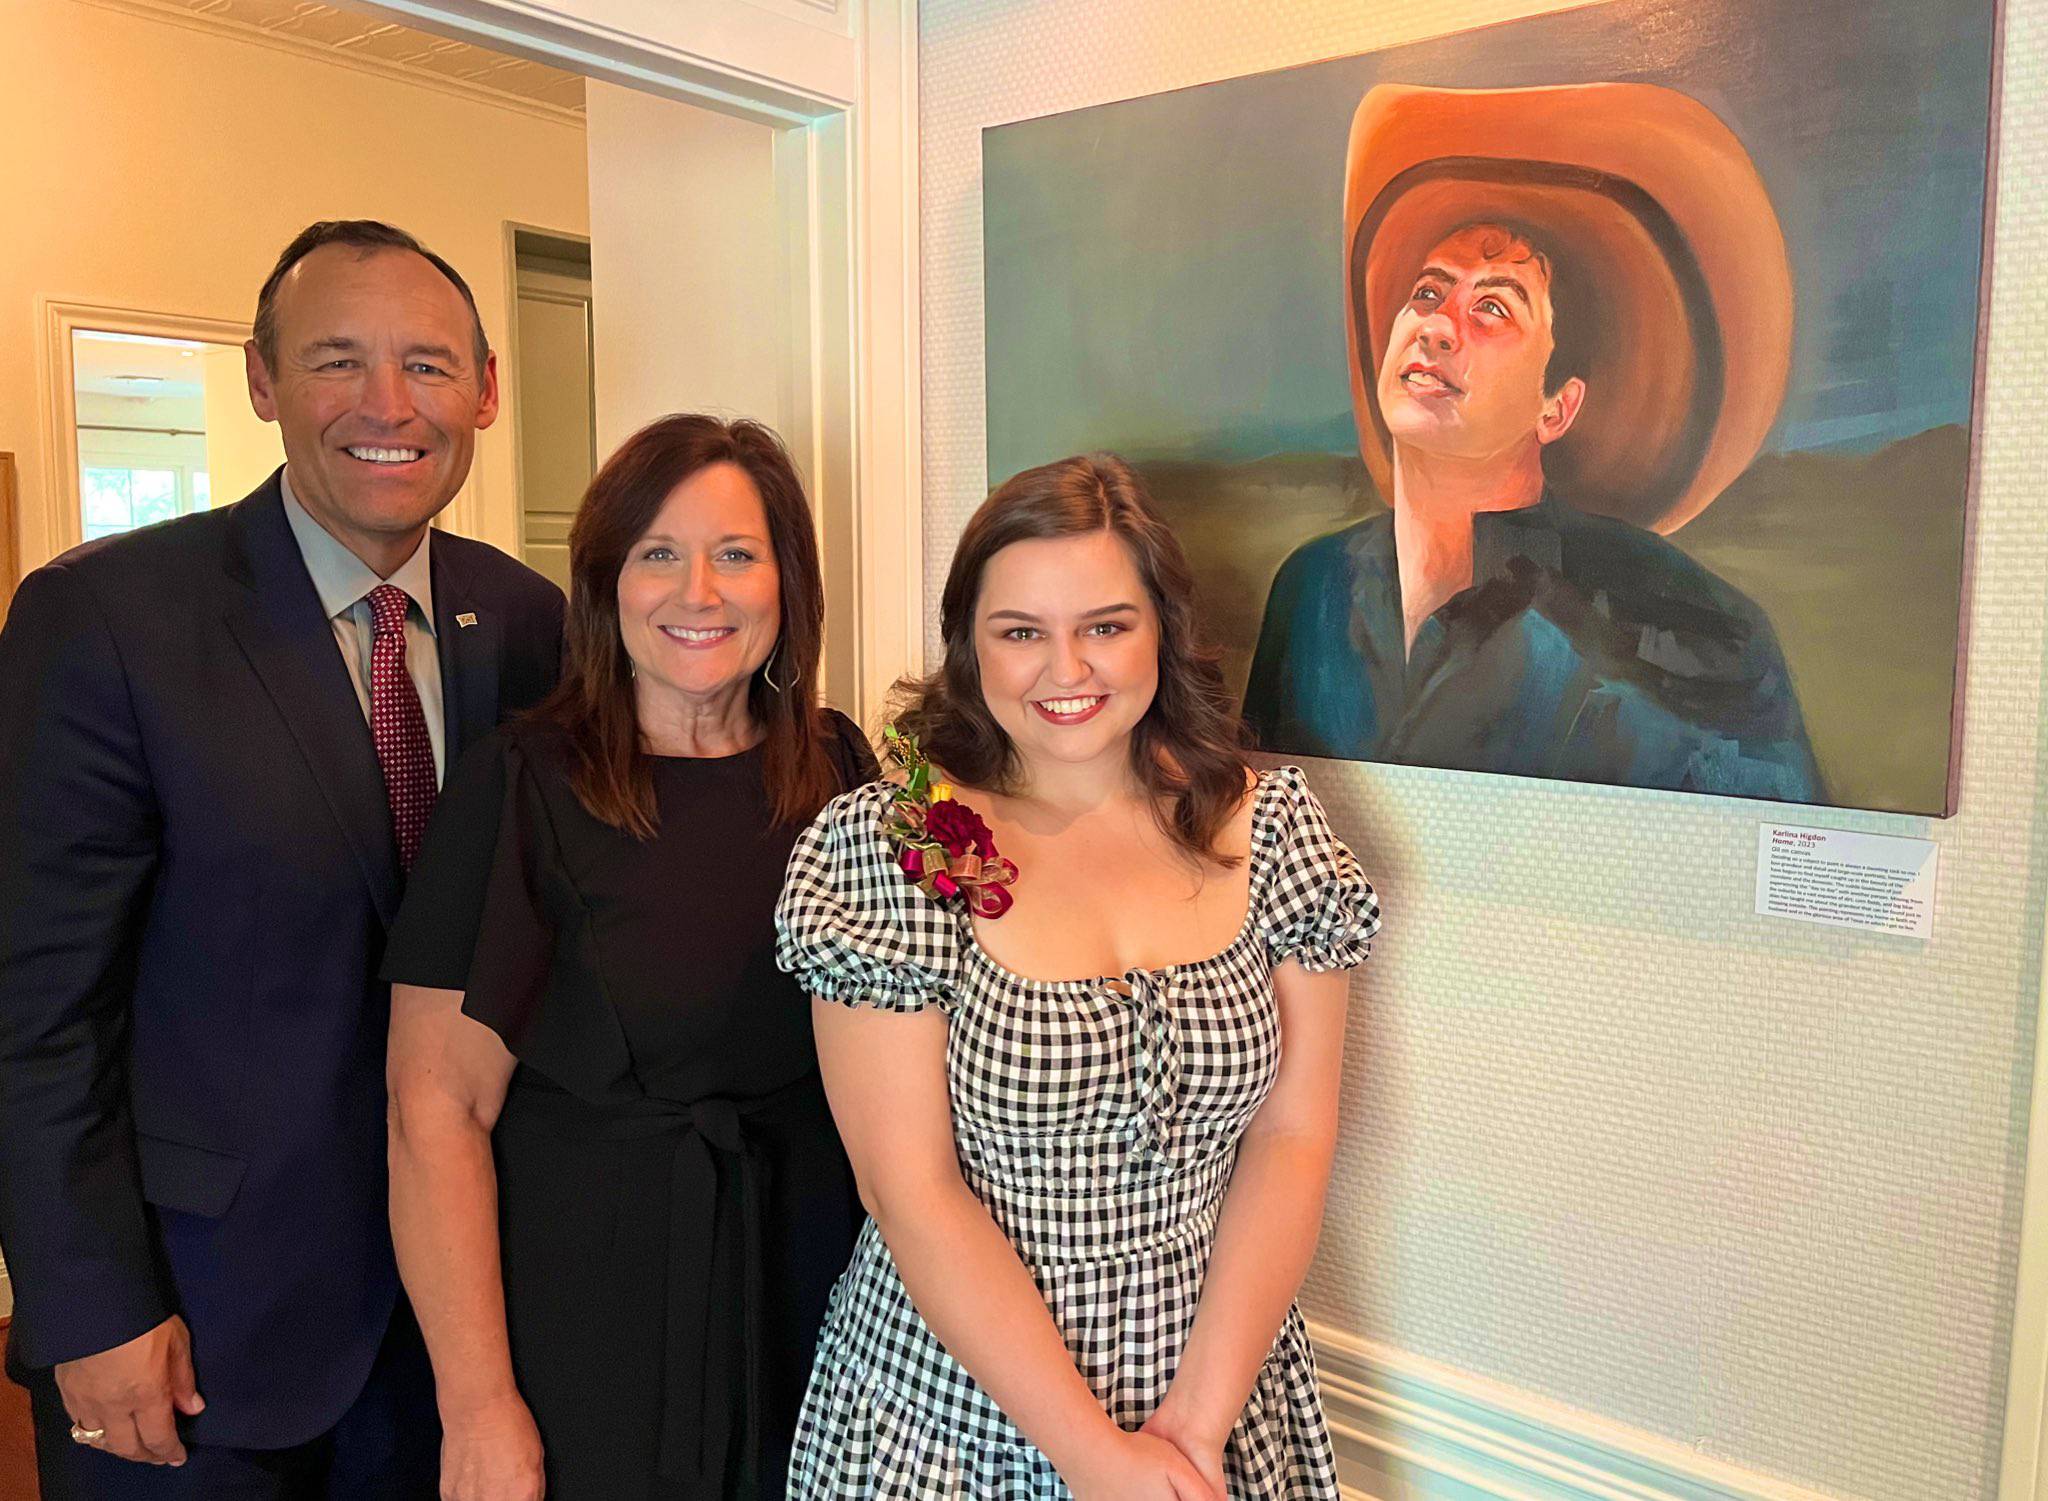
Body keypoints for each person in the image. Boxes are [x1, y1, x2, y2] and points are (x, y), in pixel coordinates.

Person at [0, 219, 564, 1498]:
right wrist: (86, 1303)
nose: (386, 406)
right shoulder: (106, 620)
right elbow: (35, 1009)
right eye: (335, 361)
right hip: (197, 1333)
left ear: (484, 388)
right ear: (261, 380)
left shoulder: (529, 623)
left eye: (427, 365)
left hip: (463, 1318)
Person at [775, 453, 1379, 1499]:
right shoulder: (898, 843)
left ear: (1163, 630)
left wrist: (1192, 1426)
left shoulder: (1272, 829)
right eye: (1021, 632)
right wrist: (1096, 1459)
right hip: (953, 1416)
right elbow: (906, 1187)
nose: (1067, 669)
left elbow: (1293, 1135)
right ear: (968, 644)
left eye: (1105, 625)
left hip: (1218, 1394)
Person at [382, 413, 876, 1501]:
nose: (698, 591)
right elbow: (434, 1113)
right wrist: (476, 1406)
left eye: (736, 554)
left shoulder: (842, 771)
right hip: (591, 1309)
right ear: (605, 583)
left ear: (786, 581)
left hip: (818, 1284)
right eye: (658, 553)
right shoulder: (518, 783)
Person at [1243, 82, 1823, 802]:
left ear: (1557, 406)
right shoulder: (1310, 591)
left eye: (1491, 306)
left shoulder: (1695, 629)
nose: (1438, 325)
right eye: (1427, 291)